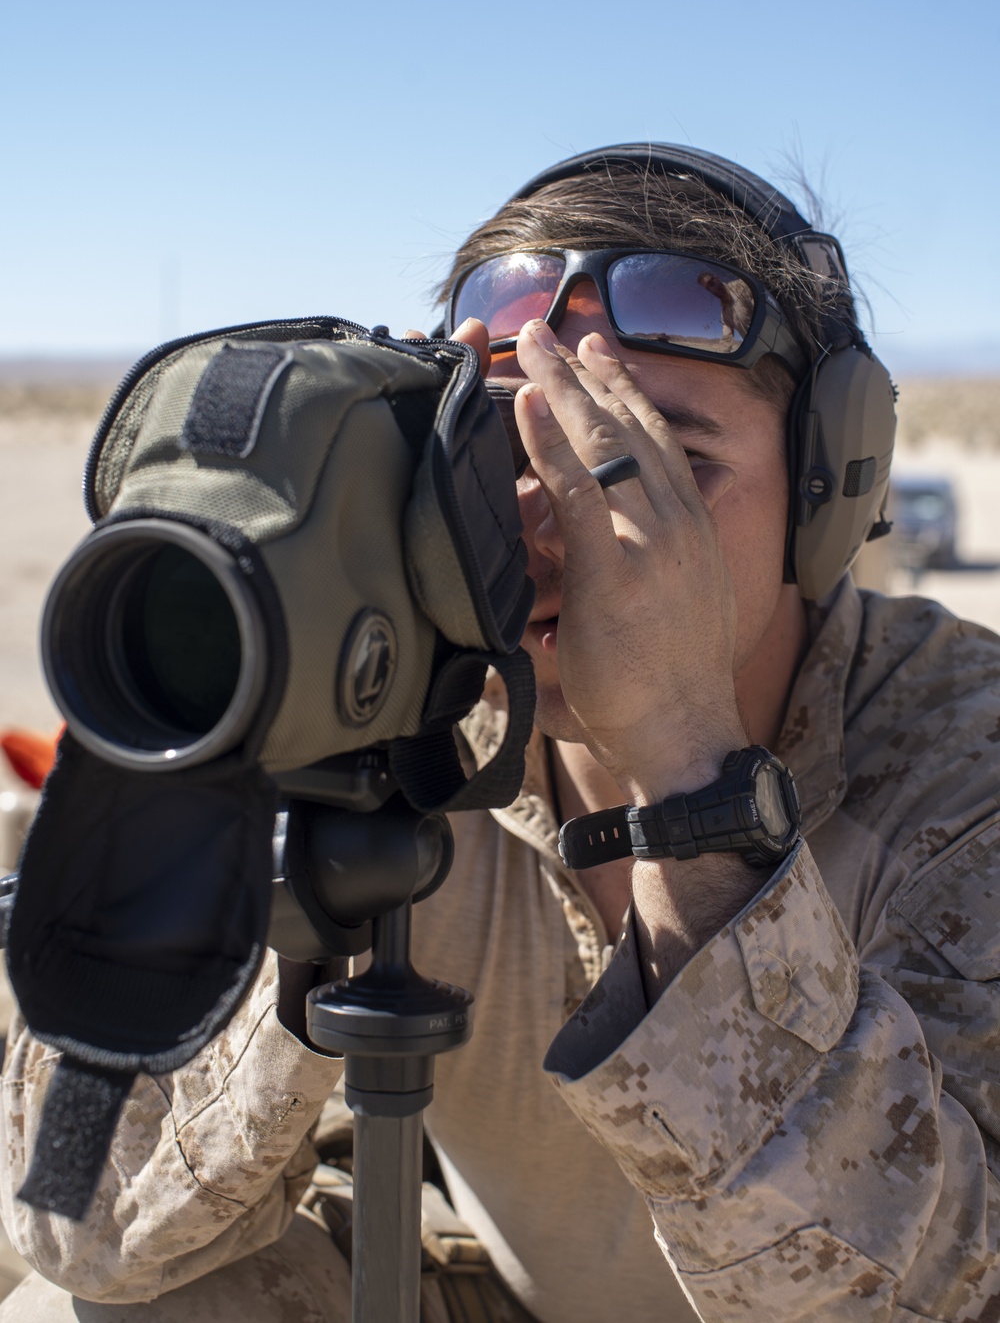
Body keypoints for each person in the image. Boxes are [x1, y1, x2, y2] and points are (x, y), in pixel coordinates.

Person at [2, 144, 999, 1322]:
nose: (550, 521)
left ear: (827, 492)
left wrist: (689, 775)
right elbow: (70, 1216)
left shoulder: (959, 752)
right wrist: (291, 830)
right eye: (505, 454)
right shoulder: (408, 708)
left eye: (653, 469)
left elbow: (920, 1297)